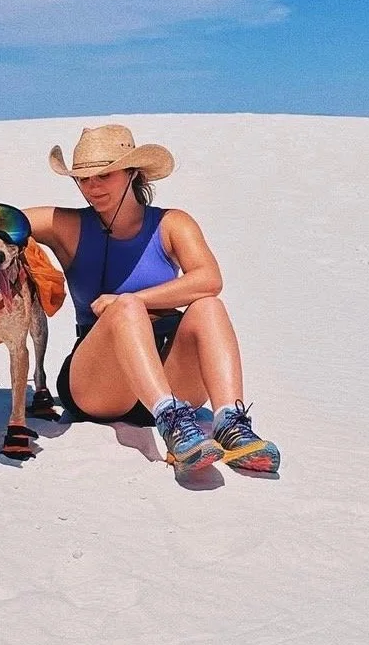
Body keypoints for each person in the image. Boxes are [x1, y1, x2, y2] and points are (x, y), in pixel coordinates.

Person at [27, 123, 280, 479]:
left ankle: (231, 423)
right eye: (83, 179)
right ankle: (172, 420)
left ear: (132, 172)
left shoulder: (171, 224)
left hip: (169, 371)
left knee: (207, 305)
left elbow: (210, 279)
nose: (92, 187)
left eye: (104, 175)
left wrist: (129, 299)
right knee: (127, 309)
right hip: (99, 382)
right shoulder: (67, 225)